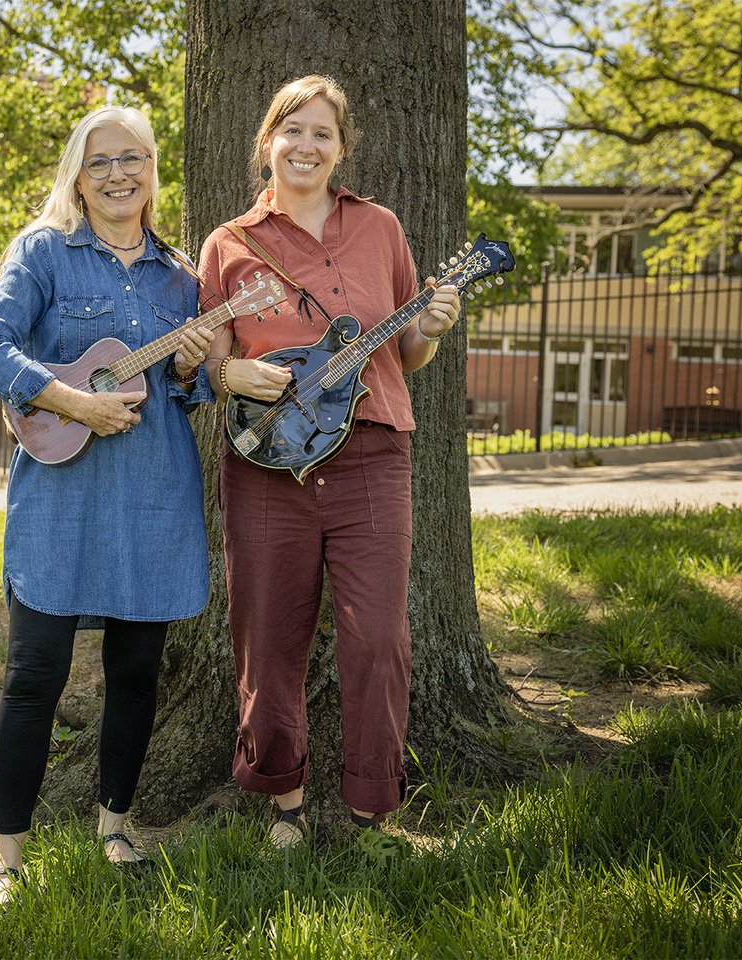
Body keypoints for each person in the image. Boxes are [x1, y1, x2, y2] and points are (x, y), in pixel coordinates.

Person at [198, 75, 461, 847]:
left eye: (322, 134)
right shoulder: (229, 245)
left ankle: (372, 805)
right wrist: (225, 373)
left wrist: (436, 323)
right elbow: (208, 362)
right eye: (292, 131)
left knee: (378, 634)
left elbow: (407, 353)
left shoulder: (381, 228)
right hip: (266, 465)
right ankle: (283, 801)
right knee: (267, 633)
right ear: (267, 143)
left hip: (372, 454)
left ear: (341, 149)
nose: (306, 146)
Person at [0, 105, 214, 909]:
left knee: (136, 672)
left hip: (152, 495)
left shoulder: (182, 277)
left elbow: (194, 393)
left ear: (151, 170)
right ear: (78, 172)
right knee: (34, 672)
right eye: (100, 161)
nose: (117, 175)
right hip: (61, 498)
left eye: (132, 159)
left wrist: (186, 370)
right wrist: (70, 400)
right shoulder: (44, 253)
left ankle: (115, 825)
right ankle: (8, 861)